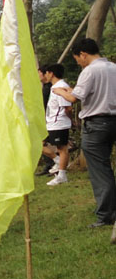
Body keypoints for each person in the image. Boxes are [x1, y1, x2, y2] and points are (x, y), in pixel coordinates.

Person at [52, 39, 116, 226]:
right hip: (113, 120)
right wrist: (71, 90)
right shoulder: (113, 67)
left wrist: (60, 92)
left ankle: (106, 215)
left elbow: (73, 98)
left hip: (96, 125)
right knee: (105, 167)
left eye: (77, 59)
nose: (79, 63)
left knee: (100, 170)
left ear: (83, 54)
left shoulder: (89, 71)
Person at [40, 64, 73, 186]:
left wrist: (70, 120)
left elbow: (67, 107)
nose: (45, 75)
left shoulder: (61, 87)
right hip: (53, 122)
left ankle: (62, 175)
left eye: (46, 73)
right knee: (59, 148)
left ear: (51, 73)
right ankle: (59, 166)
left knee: (62, 149)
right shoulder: (54, 87)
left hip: (59, 122)